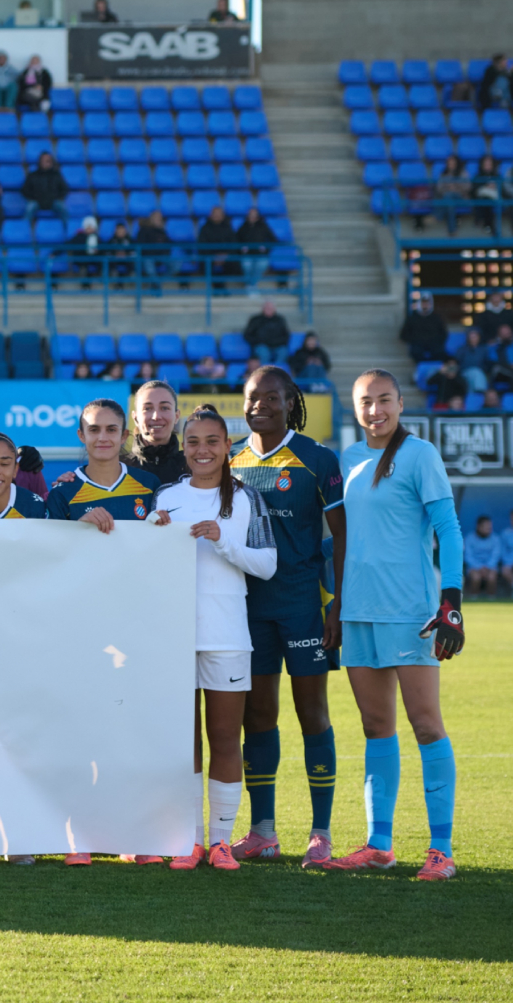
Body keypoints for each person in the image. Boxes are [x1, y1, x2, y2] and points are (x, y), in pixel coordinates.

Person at [322, 369, 464, 881]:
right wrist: (336, 604)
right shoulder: (351, 460)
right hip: (360, 612)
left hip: (412, 613)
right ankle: (379, 844)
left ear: (401, 404)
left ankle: (441, 850)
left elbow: (448, 528)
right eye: (365, 402)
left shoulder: (420, 454)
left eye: (384, 400)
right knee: (375, 727)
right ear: (354, 407)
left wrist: (451, 600)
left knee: (426, 725)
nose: (375, 410)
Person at [227, 365, 346, 868]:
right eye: (254, 398)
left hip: (303, 606)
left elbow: (344, 537)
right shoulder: (231, 460)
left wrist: (338, 601)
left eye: (272, 398)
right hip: (248, 609)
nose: (261, 406)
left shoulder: (318, 458)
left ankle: (321, 832)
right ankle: (263, 831)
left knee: (311, 711)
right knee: (257, 714)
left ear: (290, 401)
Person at [153, 404, 279, 872]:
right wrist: (154, 532)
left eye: (212, 442)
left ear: (229, 447)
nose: (202, 450)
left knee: (225, 738)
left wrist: (222, 538)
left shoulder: (246, 498)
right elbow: (148, 562)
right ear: (183, 447)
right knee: (185, 742)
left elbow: (267, 564)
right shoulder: (166, 495)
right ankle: (189, 840)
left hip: (228, 635)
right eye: (193, 442)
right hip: (174, 636)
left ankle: (221, 841)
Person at [45, 400, 163, 536]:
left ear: (124, 436)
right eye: (94, 430)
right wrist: (79, 529)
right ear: (82, 435)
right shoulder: (62, 493)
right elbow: (53, 550)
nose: (102, 437)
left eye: (111, 430)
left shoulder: (149, 484)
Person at [237, 208, 277, 294]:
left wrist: (266, 250)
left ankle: (253, 284)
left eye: (254, 215)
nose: (252, 217)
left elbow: (274, 239)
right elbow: (236, 240)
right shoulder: (243, 227)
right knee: (246, 265)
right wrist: (242, 249)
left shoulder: (263, 226)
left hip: (260, 254)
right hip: (247, 255)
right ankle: (249, 285)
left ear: (258, 216)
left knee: (262, 264)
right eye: (250, 215)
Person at [400, 294, 448, 363]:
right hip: (418, 345)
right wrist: (415, 340)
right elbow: (404, 334)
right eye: (423, 303)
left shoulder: (436, 318)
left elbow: (443, 333)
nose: (425, 305)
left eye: (427, 303)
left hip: (434, 345)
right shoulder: (412, 318)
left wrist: (437, 341)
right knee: (416, 352)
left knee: (440, 353)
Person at [22, 152, 69, 221]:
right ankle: (24, 229)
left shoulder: (56, 175)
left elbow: (64, 189)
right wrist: (34, 197)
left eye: (48, 161)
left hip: (53, 201)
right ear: (40, 162)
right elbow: (24, 190)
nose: (46, 163)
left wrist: (56, 197)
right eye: (43, 161)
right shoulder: (32, 175)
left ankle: (68, 230)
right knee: (29, 208)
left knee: (63, 208)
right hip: (37, 201)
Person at [243, 299, 290, 365]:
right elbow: (247, 335)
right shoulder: (255, 320)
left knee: (283, 352)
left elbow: (286, 335)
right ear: (262, 308)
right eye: (266, 307)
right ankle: (265, 373)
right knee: (264, 353)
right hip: (261, 345)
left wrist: (277, 342)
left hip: (278, 345)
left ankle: (278, 373)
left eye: (270, 308)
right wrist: (258, 341)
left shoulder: (280, 320)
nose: (268, 309)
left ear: (274, 309)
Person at [463, 515, 501, 596]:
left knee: (491, 578)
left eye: (490, 528)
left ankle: (491, 599)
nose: (489, 530)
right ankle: (474, 598)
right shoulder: (469, 538)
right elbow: (468, 556)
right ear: (479, 526)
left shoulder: (495, 539)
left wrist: (487, 567)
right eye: (486, 527)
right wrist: (479, 567)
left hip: (490, 567)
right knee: (476, 578)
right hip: (473, 567)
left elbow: (495, 556)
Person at [434, 156, 471, 234]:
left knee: (448, 198)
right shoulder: (444, 174)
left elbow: (468, 186)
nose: (451, 165)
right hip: (448, 197)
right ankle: (452, 229)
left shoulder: (462, 173)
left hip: (461, 197)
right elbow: (439, 188)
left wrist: (456, 186)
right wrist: (448, 188)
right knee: (450, 202)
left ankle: (438, 216)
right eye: (449, 163)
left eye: (453, 163)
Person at [135, 210, 172, 289]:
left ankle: (158, 282)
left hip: (161, 256)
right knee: (149, 265)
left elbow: (168, 244)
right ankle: (156, 285)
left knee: (176, 264)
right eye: (156, 218)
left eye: (160, 218)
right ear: (151, 218)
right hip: (148, 256)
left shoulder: (162, 231)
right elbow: (141, 245)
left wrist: (165, 253)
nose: (158, 220)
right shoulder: (144, 230)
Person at [453, 328, 492, 395]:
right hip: (464, 373)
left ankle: (475, 398)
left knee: (477, 375)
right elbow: (456, 363)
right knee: (475, 373)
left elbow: (488, 363)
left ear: (479, 337)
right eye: (471, 337)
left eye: (475, 336)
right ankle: (480, 393)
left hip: (481, 373)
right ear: (468, 338)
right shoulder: (462, 349)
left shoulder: (484, 349)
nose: (473, 338)